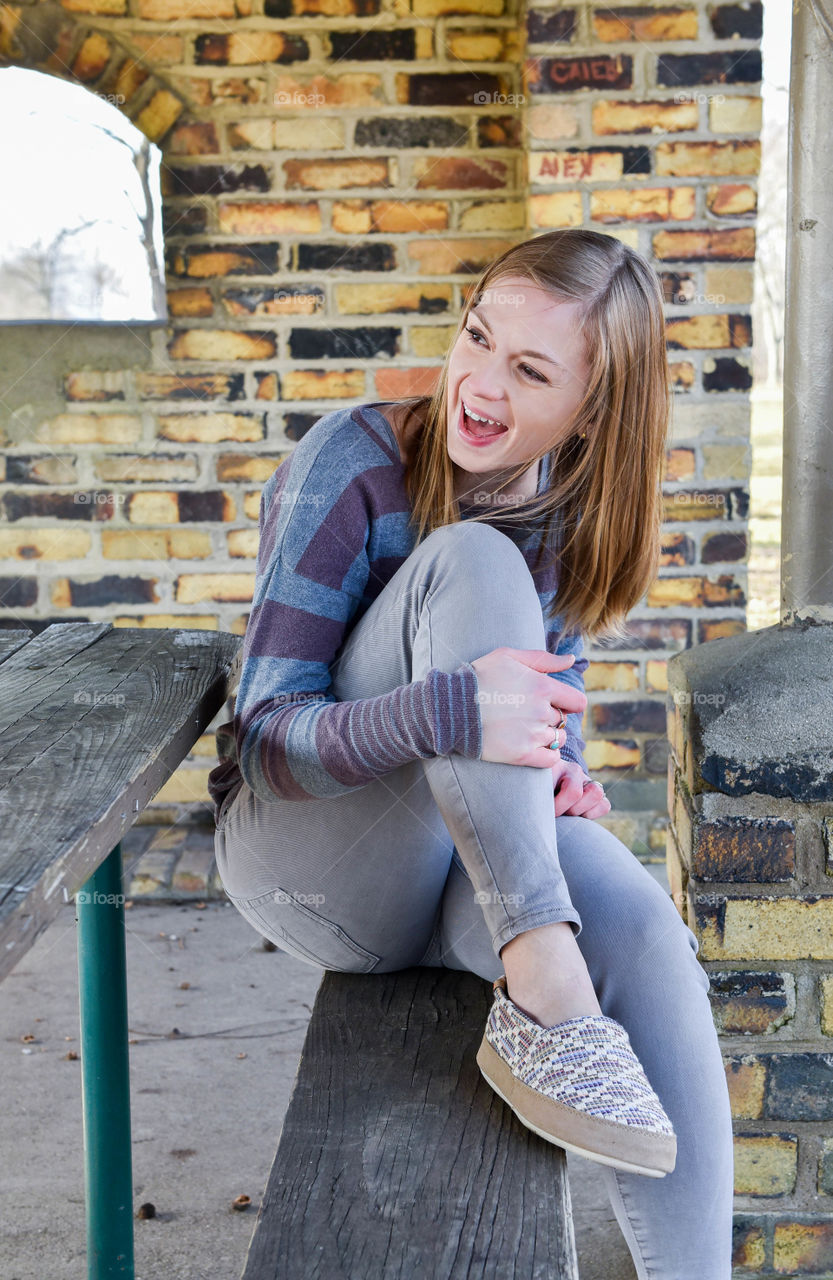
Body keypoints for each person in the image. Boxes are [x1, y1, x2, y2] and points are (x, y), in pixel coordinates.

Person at [208, 228, 734, 1279]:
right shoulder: (353, 464)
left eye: (529, 370)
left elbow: (543, 713)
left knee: (639, 923)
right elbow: (262, 740)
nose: (478, 385)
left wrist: (554, 763)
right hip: (306, 865)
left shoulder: (565, 512)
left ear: (592, 412)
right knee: (468, 560)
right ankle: (548, 986)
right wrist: (449, 709)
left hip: (458, 873)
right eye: (477, 336)